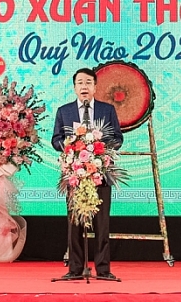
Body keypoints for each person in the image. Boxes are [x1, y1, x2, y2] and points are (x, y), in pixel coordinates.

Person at [51, 67, 124, 281]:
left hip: (100, 173)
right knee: (74, 224)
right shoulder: (64, 111)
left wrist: (100, 148)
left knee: (102, 224)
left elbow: (118, 138)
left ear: (95, 87)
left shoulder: (107, 110)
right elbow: (56, 139)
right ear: (75, 87)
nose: (84, 87)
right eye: (80, 83)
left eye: (88, 83)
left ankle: (103, 269)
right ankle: (75, 269)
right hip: (75, 174)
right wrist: (70, 147)